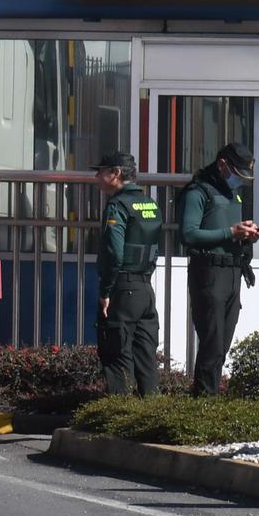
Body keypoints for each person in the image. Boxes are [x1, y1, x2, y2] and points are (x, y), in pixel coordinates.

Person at [179, 141, 258, 396]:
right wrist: (230, 232)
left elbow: (230, 232)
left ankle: (208, 402)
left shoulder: (232, 194)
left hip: (232, 273)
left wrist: (246, 235)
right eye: (238, 175)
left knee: (222, 345)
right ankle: (203, 403)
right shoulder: (198, 192)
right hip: (209, 273)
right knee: (212, 345)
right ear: (223, 164)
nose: (240, 181)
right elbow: (189, 234)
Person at [94, 151, 161, 398]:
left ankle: (119, 414)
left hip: (122, 288)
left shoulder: (117, 205)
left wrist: (106, 291)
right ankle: (151, 413)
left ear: (116, 174)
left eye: (101, 171)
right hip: (145, 289)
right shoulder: (150, 204)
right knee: (146, 358)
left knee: (116, 354)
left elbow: (114, 252)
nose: (97, 177)